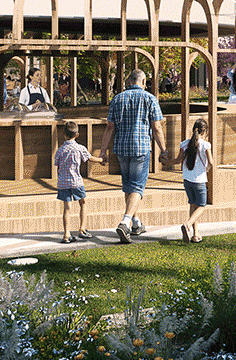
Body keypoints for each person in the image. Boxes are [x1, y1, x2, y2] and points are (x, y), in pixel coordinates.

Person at [99, 69, 165, 244]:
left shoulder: (117, 99)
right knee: (137, 187)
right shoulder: (150, 99)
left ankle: (136, 223)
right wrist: (163, 150)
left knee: (128, 186)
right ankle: (125, 221)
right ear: (143, 82)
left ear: (129, 82)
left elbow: (109, 128)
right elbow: (157, 128)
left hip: (121, 148)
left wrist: (102, 151)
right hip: (141, 148)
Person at [53, 121, 102, 243]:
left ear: (64, 134)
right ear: (77, 135)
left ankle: (66, 234)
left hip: (63, 182)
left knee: (67, 208)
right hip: (76, 181)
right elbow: (89, 158)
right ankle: (82, 229)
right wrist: (101, 159)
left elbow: (57, 165)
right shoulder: (80, 148)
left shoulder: (60, 150)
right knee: (83, 203)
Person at [171, 119, 211, 242]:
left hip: (187, 180)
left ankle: (196, 234)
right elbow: (211, 162)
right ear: (205, 132)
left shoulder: (184, 144)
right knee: (202, 206)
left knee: (192, 205)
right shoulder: (205, 145)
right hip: (199, 180)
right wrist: (207, 169)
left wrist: (166, 161)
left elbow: (178, 160)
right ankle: (187, 225)